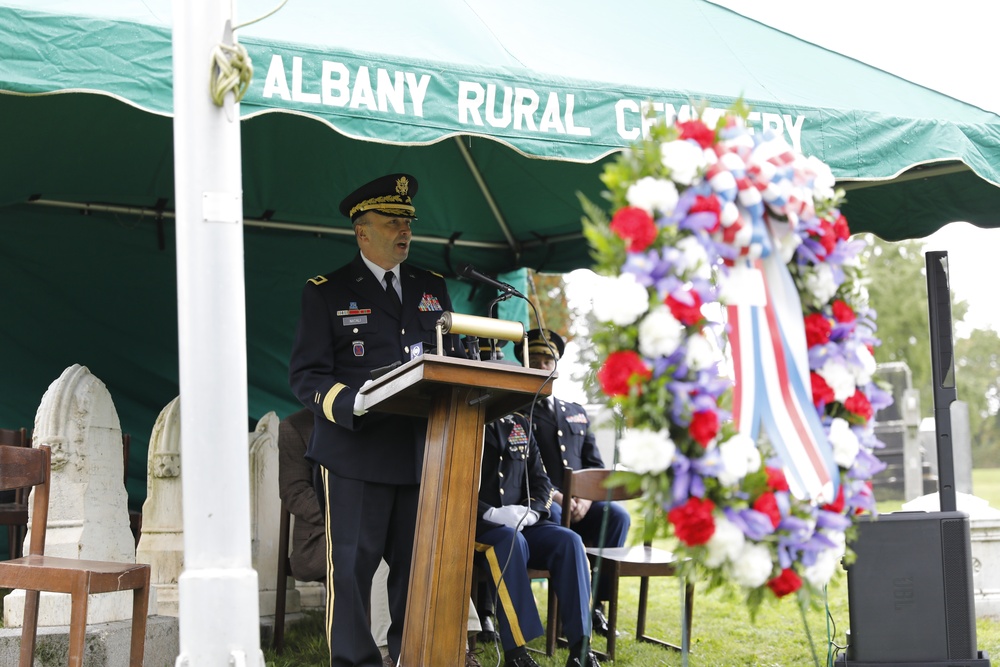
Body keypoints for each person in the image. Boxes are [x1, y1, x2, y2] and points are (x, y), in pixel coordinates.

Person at [288, 173, 465, 667]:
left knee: (416, 570)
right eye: (392, 222)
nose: (404, 230)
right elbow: (306, 375)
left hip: (418, 454)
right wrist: (353, 403)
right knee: (352, 570)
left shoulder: (432, 288)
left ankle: (411, 656)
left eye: (408, 221)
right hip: (356, 453)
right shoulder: (327, 292)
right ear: (362, 231)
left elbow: (448, 360)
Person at [277, 408, 482, 667]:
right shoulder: (293, 426)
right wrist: (350, 516)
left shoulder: (376, 421)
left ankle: (450, 645)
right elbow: (293, 491)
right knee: (374, 551)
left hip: (374, 522)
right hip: (321, 536)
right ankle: (387, 650)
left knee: (421, 552)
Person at [475, 384, 602, 667]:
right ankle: (517, 653)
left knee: (569, 541)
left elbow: (541, 479)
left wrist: (532, 512)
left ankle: (581, 650)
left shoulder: (519, 422)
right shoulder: (465, 418)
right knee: (510, 542)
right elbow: (448, 483)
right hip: (476, 525)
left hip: (522, 521)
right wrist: (491, 513)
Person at [515, 329, 631, 638]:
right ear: (523, 363)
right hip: (544, 503)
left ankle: (596, 608)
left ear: (556, 365)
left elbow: (595, 465)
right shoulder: (513, 410)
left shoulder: (575, 411)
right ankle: (569, 616)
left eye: (547, 360)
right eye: (534, 360)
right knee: (555, 521)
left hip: (581, 503)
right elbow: (521, 470)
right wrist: (559, 496)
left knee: (616, 516)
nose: (541, 367)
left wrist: (588, 499)